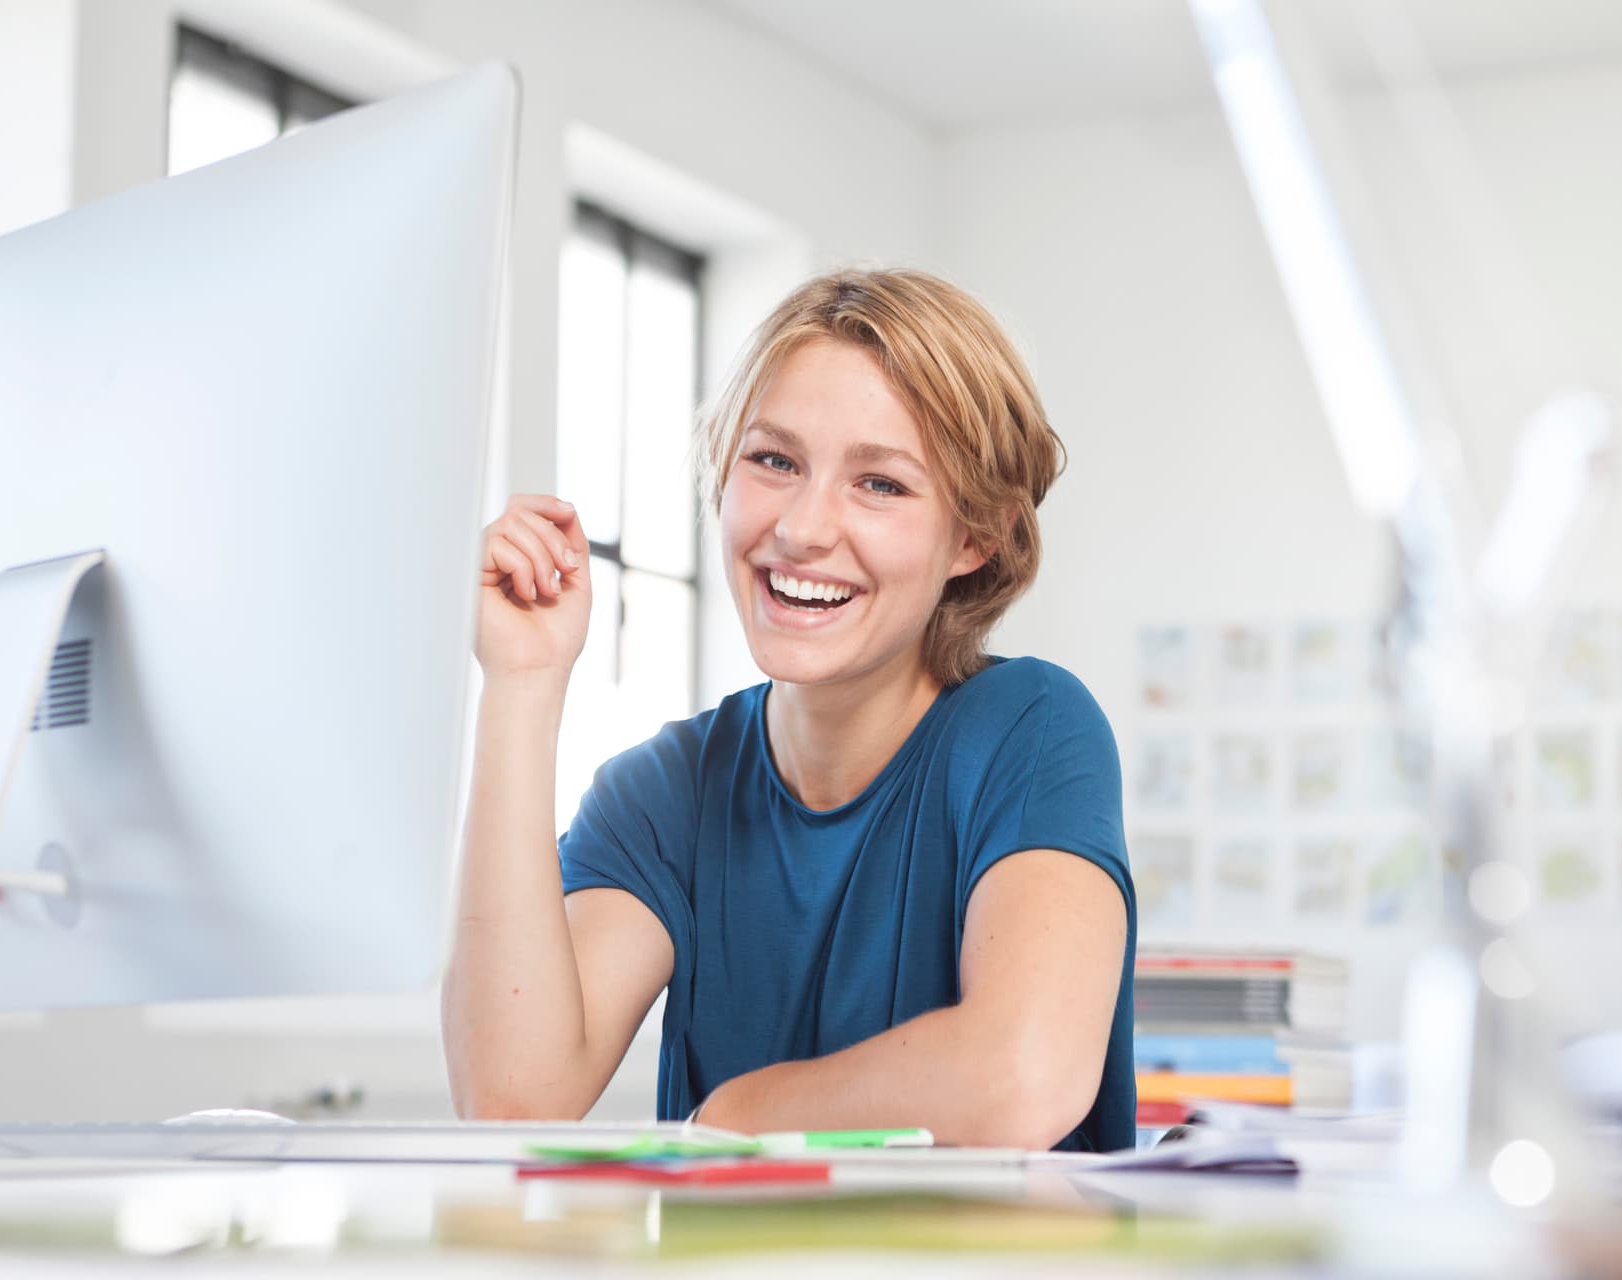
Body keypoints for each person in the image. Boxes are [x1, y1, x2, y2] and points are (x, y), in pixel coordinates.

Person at [443, 268, 1135, 1151]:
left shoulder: (1031, 730)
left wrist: (730, 1119)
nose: (805, 528)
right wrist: (521, 683)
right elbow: (511, 1098)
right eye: (774, 461)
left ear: (975, 536)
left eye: (880, 484)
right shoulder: (664, 792)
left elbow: (1023, 1075)